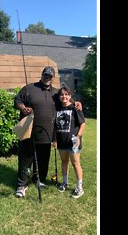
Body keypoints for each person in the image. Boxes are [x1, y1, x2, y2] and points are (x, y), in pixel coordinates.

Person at [13, 66, 82, 198]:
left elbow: (66, 100)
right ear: (42, 75)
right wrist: (23, 108)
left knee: (43, 159)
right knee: (26, 159)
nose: (47, 78)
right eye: (45, 75)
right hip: (29, 132)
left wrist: (76, 103)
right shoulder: (29, 88)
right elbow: (17, 100)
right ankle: (21, 185)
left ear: (52, 78)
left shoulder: (56, 93)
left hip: (47, 133)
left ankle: (39, 180)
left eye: (50, 76)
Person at [53, 87, 86, 199]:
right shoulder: (57, 109)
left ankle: (79, 188)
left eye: (66, 94)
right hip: (62, 141)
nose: (64, 97)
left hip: (73, 142)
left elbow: (83, 124)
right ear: (59, 97)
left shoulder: (75, 108)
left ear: (70, 96)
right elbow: (56, 126)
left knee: (76, 163)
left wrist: (78, 136)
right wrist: (55, 140)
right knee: (64, 161)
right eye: (62, 95)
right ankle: (65, 182)